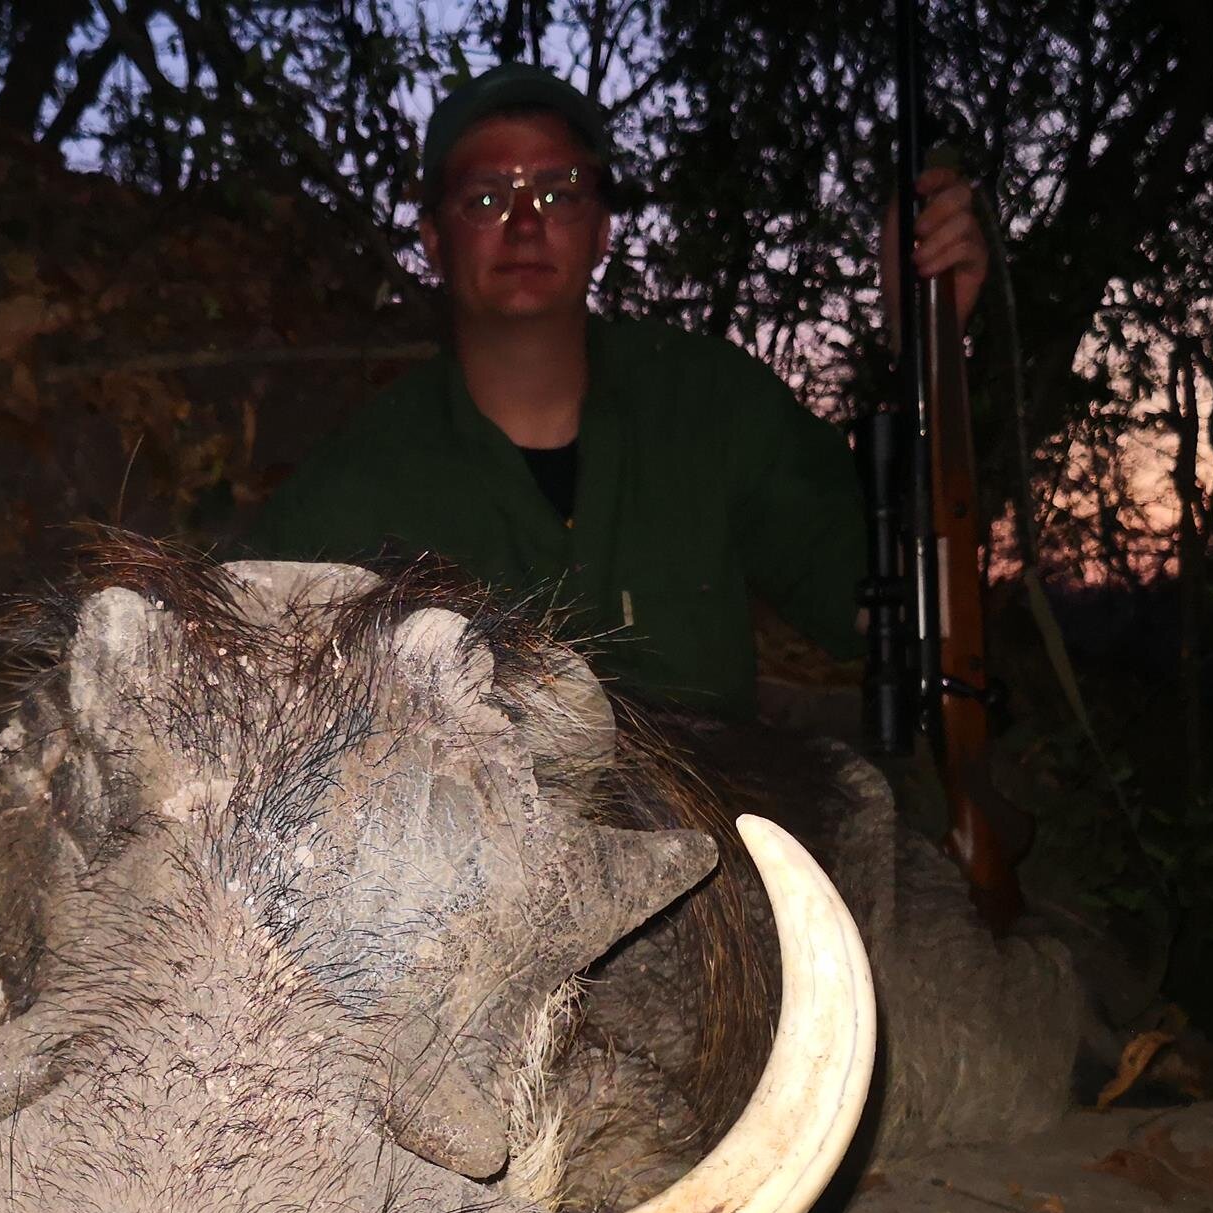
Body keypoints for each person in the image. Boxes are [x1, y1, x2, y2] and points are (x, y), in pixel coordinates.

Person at [242, 62, 988, 721]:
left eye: (560, 193)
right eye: (485, 199)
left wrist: (925, 351)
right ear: (435, 239)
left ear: (601, 231)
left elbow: (885, 603)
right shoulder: (356, 480)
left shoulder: (711, 402)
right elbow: (252, 669)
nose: (526, 225)